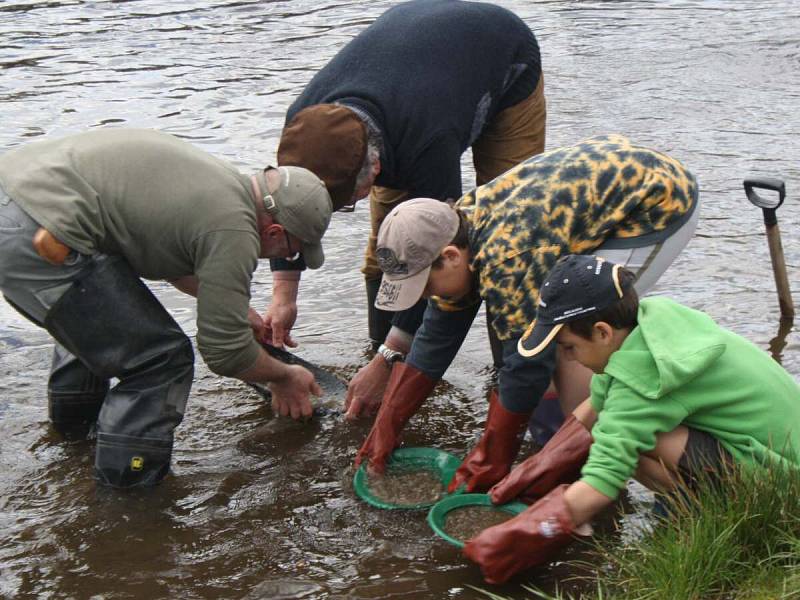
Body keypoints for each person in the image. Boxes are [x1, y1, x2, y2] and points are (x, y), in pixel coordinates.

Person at [354, 135, 701, 497]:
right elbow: (438, 336)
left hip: (657, 203)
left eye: (425, 286)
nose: (426, 297)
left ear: (453, 256)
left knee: (574, 339)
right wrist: (388, 422)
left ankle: (585, 469)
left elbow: (525, 362)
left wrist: (493, 457)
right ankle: (555, 443)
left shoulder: (507, 258)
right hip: (590, 197)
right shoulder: (454, 229)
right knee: (540, 338)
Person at [0, 128, 333, 488]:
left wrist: (238, 312)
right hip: (37, 233)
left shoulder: (221, 184)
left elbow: (170, 257)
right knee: (160, 360)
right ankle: (129, 498)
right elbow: (224, 353)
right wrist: (282, 377)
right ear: (273, 232)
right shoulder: (235, 229)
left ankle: (74, 441)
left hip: (19, 194)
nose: (287, 258)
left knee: (99, 314)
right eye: (291, 249)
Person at [265, 0, 547, 414]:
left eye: (348, 202)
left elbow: (436, 253)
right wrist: (283, 295)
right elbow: (289, 210)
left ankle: (509, 377)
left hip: (503, 58)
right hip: (414, 73)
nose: (346, 210)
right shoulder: (307, 128)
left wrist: (394, 354)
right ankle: (383, 363)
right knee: (389, 248)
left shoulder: (425, 148)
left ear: (374, 168)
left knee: (503, 237)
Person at [462, 254, 800, 584]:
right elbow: (597, 403)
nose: (568, 359)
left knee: (630, 444)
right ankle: (695, 498)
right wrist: (538, 466)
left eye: (569, 348)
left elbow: (604, 480)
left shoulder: (641, 381)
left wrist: (528, 532)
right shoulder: (653, 323)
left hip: (781, 485)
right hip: (777, 450)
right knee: (613, 422)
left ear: (603, 332)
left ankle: (709, 512)